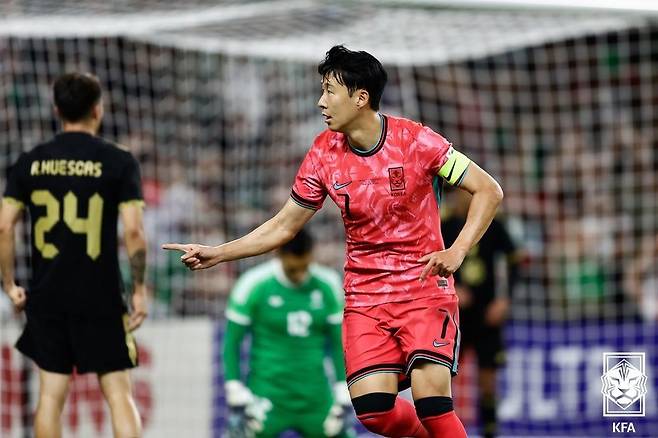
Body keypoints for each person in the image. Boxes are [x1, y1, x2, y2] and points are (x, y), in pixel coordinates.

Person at [164, 45, 503, 437]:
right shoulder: (323, 153)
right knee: (373, 412)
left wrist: (458, 250)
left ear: (360, 98)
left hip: (422, 289)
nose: (320, 101)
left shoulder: (417, 141)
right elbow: (284, 226)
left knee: (432, 402)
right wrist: (219, 253)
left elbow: (488, 190)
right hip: (365, 298)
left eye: (329, 91)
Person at [0, 72, 148, 438]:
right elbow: (133, 231)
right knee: (119, 394)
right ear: (98, 110)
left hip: (48, 295)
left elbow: (3, 227)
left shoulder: (30, 162)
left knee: (51, 396)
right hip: (101, 295)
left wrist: (9, 284)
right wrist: (140, 290)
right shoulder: (119, 161)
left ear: (56, 110)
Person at [222, 228, 354, 437]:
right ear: (278, 255)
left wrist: (342, 388)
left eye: (304, 267)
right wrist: (234, 387)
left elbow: (339, 343)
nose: (299, 275)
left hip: (316, 398)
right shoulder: (253, 284)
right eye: (293, 270)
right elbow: (232, 343)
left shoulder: (328, 284)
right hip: (266, 396)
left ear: (311, 255)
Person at [441, 188, 521, 438]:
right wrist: (451, 288)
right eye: (460, 192)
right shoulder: (445, 224)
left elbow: (515, 261)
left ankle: (490, 431)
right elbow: (429, 261)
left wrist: (504, 300)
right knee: (444, 377)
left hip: (488, 314)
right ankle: (443, 430)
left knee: (488, 380)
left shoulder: (493, 224)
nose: (464, 197)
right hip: (455, 315)